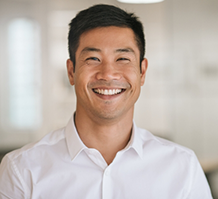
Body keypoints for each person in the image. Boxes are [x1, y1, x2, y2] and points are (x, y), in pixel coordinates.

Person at [0, 4, 213, 199]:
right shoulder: (22, 169)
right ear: (71, 71)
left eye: (122, 59)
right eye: (93, 59)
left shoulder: (183, 167)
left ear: (142, 71)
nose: (108, 74)